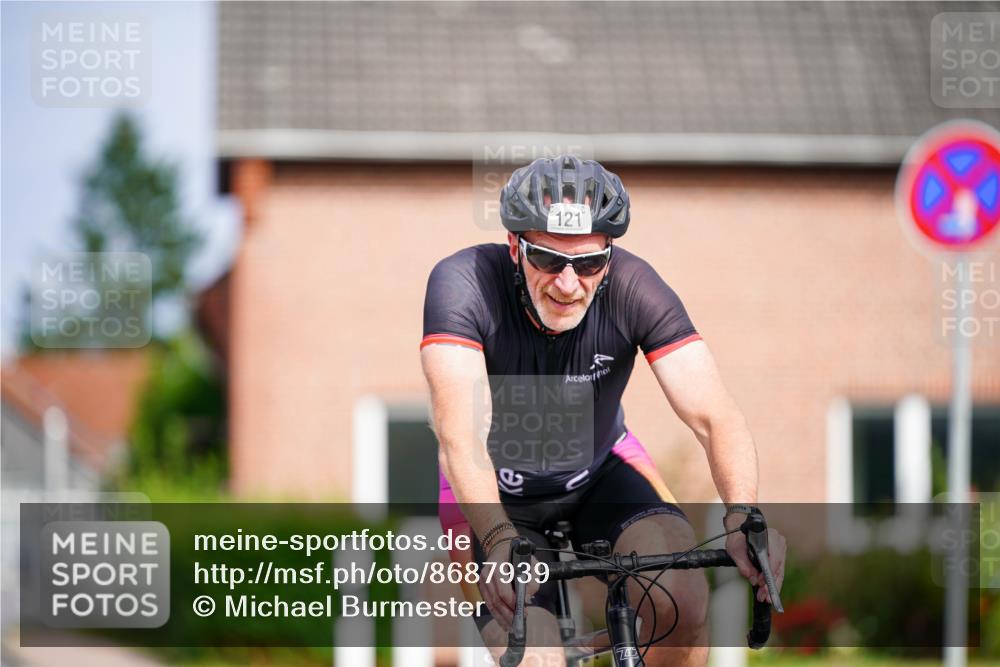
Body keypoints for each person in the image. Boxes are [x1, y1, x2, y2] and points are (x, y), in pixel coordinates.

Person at [421, 155, 786, 666]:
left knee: (682, 600)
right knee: (535, 653)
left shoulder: (637, 287)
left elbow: (714, 415)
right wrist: (500, 538)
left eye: (589, 263)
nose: (569, 284)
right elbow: (462, 437)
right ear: (514, 248)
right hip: (491, 493)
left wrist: (743, 513)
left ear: (609, 259)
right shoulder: (462, 285)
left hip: (598, 470)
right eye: (548, 259)